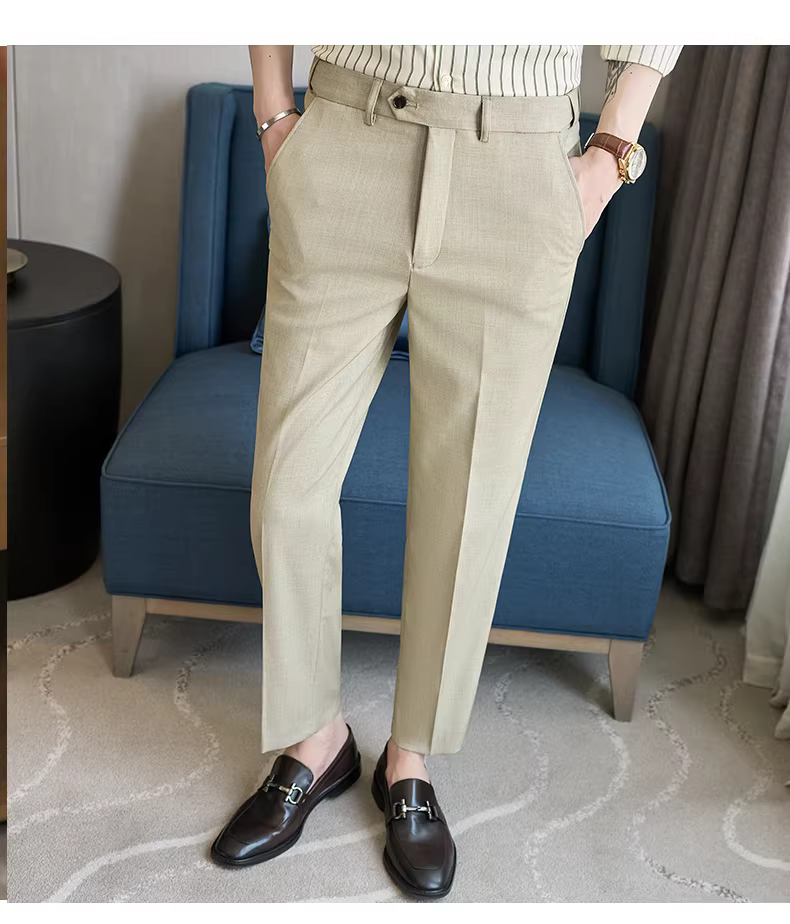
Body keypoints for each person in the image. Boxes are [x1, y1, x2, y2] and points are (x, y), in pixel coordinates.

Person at [211, 44, 682, 898]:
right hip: (348, 138)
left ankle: (411, 757)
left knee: (468, 505)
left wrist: (609, 154)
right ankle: (317, 739)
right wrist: (274, 113)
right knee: (287, 487)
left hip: (518, 171)